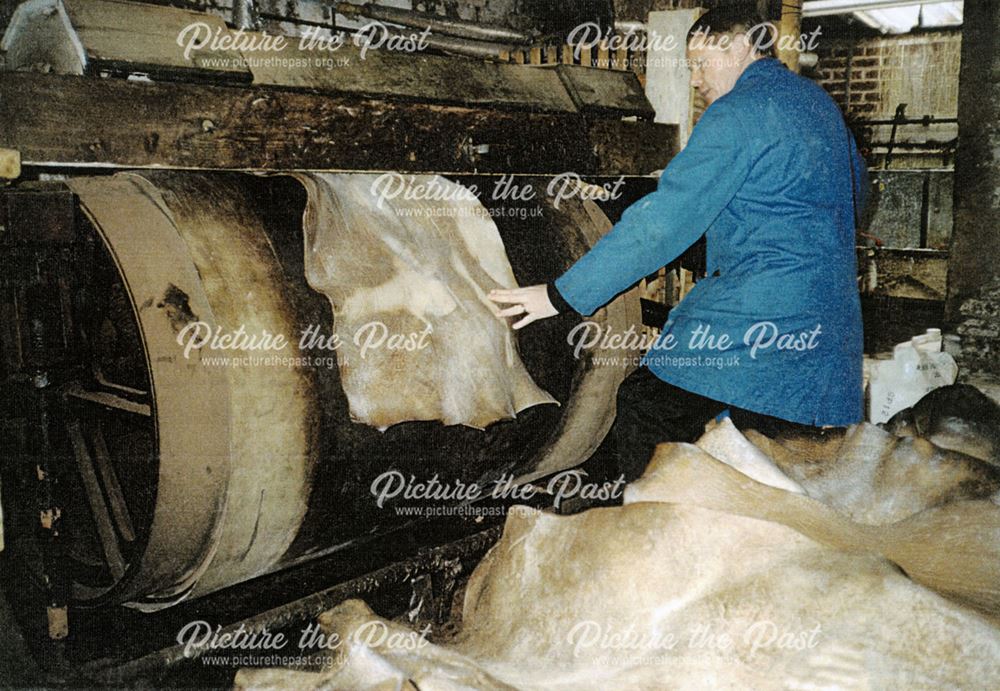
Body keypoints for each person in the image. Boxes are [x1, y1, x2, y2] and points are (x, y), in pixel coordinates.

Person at [488, 8, 868, 481]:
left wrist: (558, 295)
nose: (694, 79)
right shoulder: (816, 104)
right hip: (828, 330)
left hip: (759, 323)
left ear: (739, 46)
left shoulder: (735, 113)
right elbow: (853, 194)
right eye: (688, 67)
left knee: (643, 408)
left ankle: (657, 531)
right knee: (770, 460)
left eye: (701, 63)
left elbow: (662, 226)